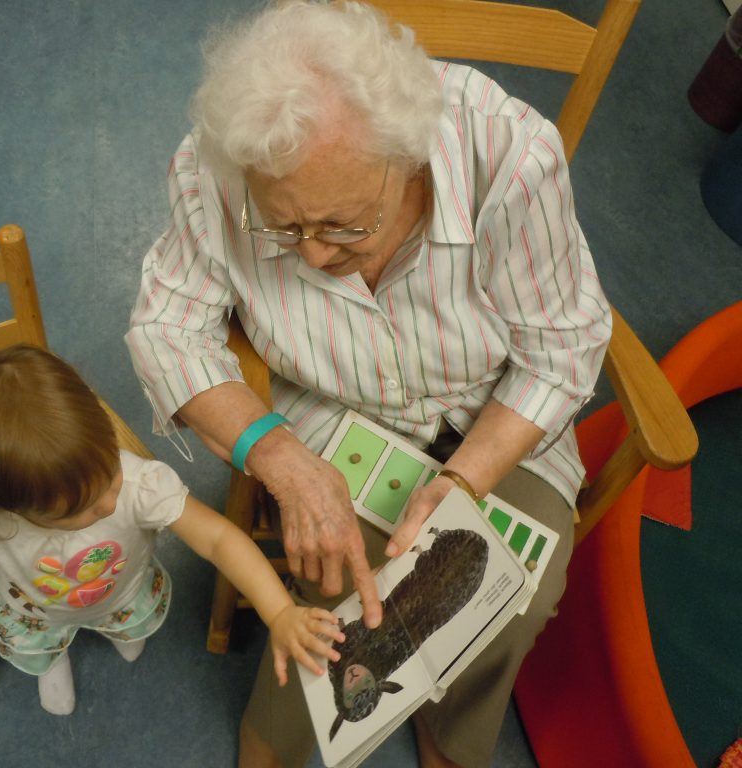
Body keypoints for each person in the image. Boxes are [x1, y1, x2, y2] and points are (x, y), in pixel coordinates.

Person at [124, 2, 612, 766]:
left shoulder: (512, 154)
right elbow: (165, 330)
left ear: (410, 160)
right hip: (328, 403)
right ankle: (277, 736)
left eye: (343, 226)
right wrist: (277, 456)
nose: (311, 259)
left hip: (496, 404)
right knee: (338, 582)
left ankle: (453, 731)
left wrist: (469, 477)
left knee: (524, 593)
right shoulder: (216, 167)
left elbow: (562, 349)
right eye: (284, 231)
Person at [0, 344, 344, 715]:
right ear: (6, 505)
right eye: (83, 509)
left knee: (124, 624)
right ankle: (54, 658)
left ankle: (114, 629)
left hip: (120, 591)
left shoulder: (139, 485)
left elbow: (220, 538)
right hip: (32, 607)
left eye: (109, 473)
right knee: (44, 640)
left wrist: (280, 611)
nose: (110, 502)